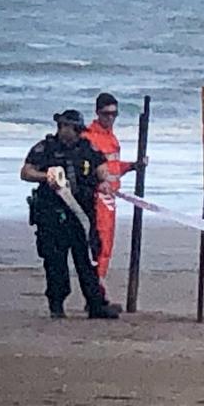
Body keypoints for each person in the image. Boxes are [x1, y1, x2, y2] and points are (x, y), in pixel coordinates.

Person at [21, 110, 121, 319]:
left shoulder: (86, 147)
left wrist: (103, 179)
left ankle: (95, 304)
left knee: (87, 260)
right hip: (52, 214)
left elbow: (101, 166)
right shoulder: (46, 148)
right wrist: (45, 176)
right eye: (66, 127)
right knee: (55, 262)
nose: (69, 132)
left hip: (82, 215)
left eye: (73, 128)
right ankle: (57, 305)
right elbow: (26, 172)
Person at [82, 92, 141, 302]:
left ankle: (98, 291)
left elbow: (113, 167)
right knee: (100, 246)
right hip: (98, 197)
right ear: (98, 113)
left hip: (111, 197)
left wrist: (132, 166)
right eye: (107, 114)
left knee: (106, 247)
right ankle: (95, 295)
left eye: (115, 114)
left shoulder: (110, 137)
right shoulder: (90, 138)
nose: (111, 118)